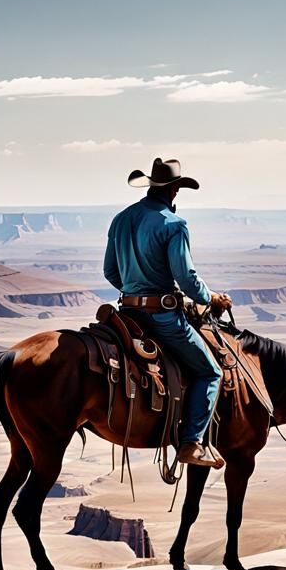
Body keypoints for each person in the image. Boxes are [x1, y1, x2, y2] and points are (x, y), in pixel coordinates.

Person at [103, 158, 231, 468]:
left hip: (128, 315)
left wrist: (134, 289)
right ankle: (192, 444)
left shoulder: (121, 219)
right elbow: (186, 278)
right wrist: (210, 297)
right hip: (162, 318)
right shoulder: (174, 225)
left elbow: (110, 272)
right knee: (210, 371)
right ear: (175, 189)